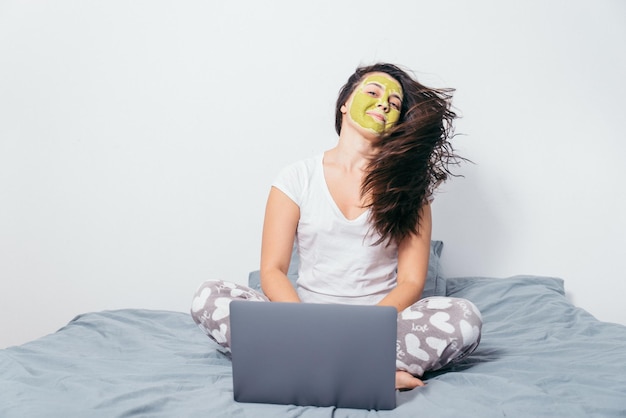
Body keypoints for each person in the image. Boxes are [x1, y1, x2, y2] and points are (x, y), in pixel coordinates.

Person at [191, 62, 482, 390]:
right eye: (372, 92)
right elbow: (272, 269)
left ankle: (297, 364)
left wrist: (362, 329)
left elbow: (412, 282)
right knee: (208, 296)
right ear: (344, 103)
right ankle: (363, 370)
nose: (384, 102)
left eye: (395, 103)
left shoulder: (411, 190)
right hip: (301, 320)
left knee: (465, 319)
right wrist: (305, 325)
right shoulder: (296, 178)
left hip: (379, 326)